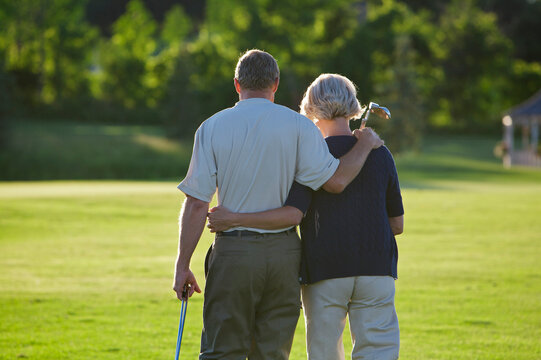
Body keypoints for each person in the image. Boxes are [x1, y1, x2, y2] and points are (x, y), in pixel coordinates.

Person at [173, 51, 383, 360]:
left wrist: (182, 266)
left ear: (236, 84)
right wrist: (364, 143)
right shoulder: (301, 127)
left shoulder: (212, 127)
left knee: (222, 351)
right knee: (273, 354)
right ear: (276, 83)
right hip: (285, 255)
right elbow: (336, 182)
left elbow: (195, 205)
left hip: (234, 253)